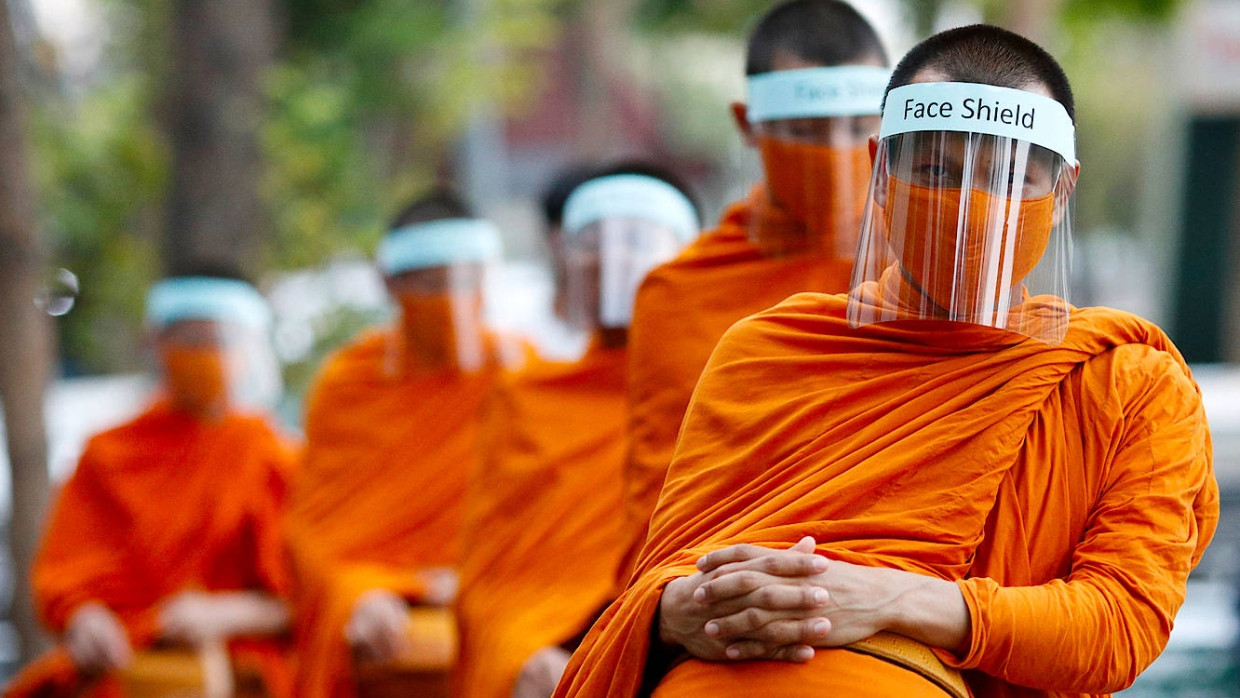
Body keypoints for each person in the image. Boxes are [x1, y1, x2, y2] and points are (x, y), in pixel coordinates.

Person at [557, 25, 1218, 698]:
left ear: (1064, 190)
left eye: (1012, 177)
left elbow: (1120, 625)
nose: (971, 209)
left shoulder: (1127, 382)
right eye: (936, 171)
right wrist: (676, 612)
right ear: (881, 173)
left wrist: (893, 600)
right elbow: (652, 587)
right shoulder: (768, 349)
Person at [622, 0, 891, 575]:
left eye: (863, 129)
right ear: (747, 124)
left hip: (895, 581)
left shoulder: (931, 270)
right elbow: (657, 501)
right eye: (805, 132)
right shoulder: (682, 293)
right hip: (718, 585)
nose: (839, 154)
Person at [453, 165, 699, 698]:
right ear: (565, 264)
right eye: (592, 242)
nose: (614, 259)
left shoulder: (723, 381)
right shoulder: (525, 399)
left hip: (685, 628)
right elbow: (488, 581)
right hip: (551, 644)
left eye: (640, 240)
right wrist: (521, 654)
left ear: (692, 261)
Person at [6, 271, 296, 698]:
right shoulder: (108, 455)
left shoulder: (272, 457)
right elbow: (64, 578)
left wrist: (227, 614)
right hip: (124, 667)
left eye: (217, 339)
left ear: (250, 348)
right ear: (155, 343)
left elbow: (307, 597)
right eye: (187, 339)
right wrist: (86, 619)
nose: (203, 355)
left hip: (239, 673)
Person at [284, 190, 514, 698]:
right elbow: (315, 532)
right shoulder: (349, 385)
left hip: (490, 603)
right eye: (431, 285)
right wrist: (361, 592)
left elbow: (544, 522)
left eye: (467, 282)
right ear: (390, 284)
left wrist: (474, 581)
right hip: (379, 608)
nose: (452, 302)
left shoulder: (521, 375)